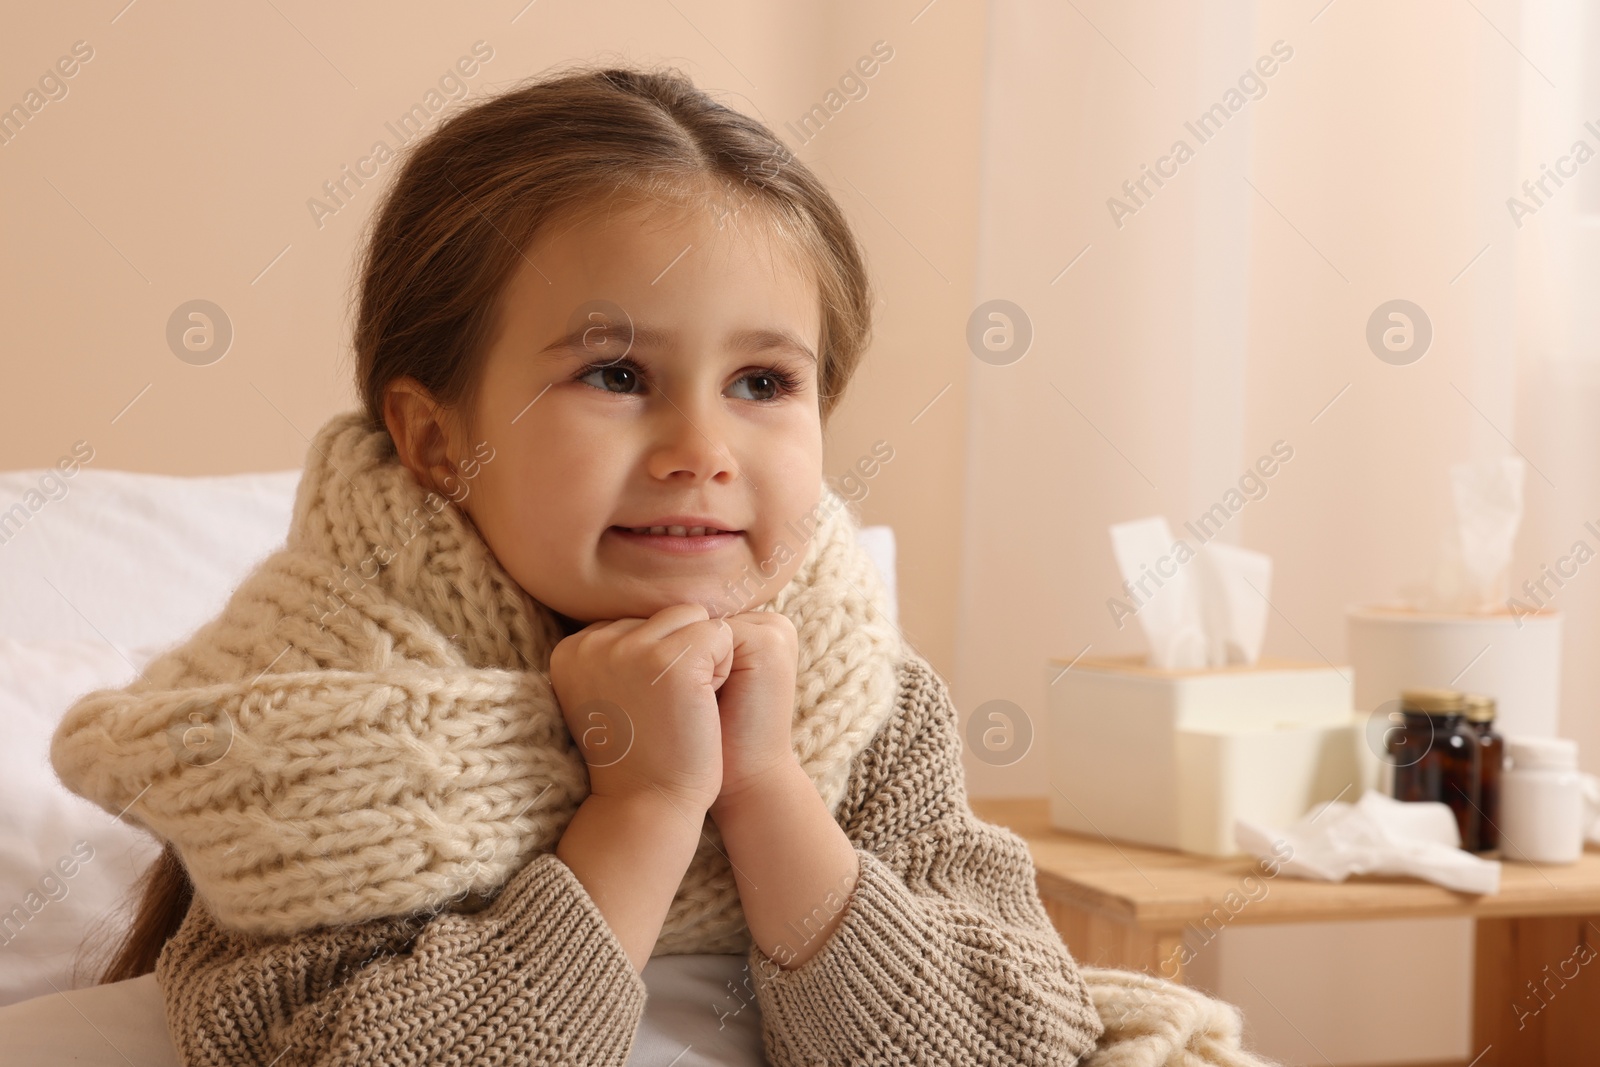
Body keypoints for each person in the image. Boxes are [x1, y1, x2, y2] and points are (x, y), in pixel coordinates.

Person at [50, 63, 1268, 1067]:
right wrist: (638, 804)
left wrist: (766, 786)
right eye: (616, 375)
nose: (701, 450)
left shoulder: (867, 702)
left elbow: (1011, 1039)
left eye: (761, 383)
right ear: (434, 438)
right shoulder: (307, 736)